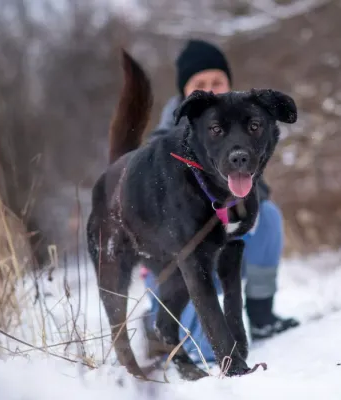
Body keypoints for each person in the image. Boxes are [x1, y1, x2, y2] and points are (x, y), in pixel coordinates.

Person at [141, 39, 299, 364]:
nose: (211, 89)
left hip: (221, 255)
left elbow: (256, 192)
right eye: (200, 84)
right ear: (185, 92)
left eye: (218, 81)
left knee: (267, 216)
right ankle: (156, 321)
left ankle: (261, 315)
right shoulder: (161, 145)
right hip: (178, 270)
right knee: (211, 352)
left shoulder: (239, 125)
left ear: (229, 83)